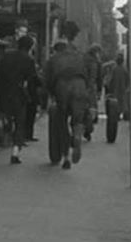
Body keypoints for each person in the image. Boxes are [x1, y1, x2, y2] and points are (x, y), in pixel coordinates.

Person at [43, 21, 91, 169]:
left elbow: (47, 81)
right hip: (80, 84)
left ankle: (66, 157)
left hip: (62, 85)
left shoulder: (53, 59)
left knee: (61, 121)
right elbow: (87, 76)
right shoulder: (79, 56)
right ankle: (77, 134)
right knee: (77, 119)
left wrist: (51, 96)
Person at [0, 35, 38, 164]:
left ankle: (3, 124)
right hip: (18, 93)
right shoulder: (29, 60)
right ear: (30, 46)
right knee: (20, 122)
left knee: (5, 113)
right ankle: (15, 152)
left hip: (4, 91)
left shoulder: (6, 56)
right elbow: (31, 79)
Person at [104, 53, 129, 143]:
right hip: (122, 89)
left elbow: (111, 79)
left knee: (116, 104)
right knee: (122, 102)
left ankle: (117, 115)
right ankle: (121, 114)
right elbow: (128, 79)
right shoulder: (124, 69)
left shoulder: (114, 69)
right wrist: (126, 87)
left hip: (115, 89)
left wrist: (110, 88)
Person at [82, 44, 103, 141]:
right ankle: (88, 127)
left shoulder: (82, 59)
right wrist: (99, 90)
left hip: (81, 86)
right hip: (90, 87)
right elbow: (98, 77)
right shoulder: (96, 62)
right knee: (91, 108)